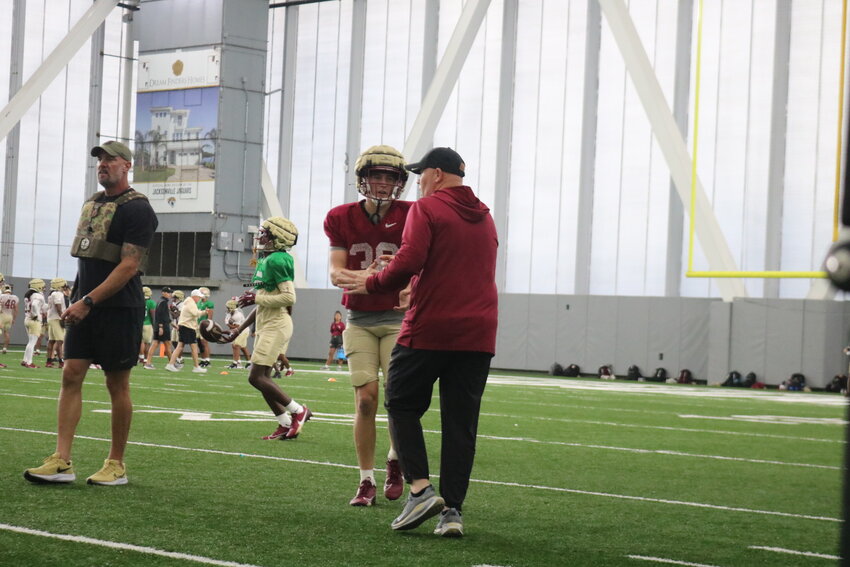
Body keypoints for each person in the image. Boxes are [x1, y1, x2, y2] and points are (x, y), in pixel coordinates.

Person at [336, 147, 498, 537]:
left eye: (420, 174)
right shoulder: (486, 216)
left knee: (400, 402)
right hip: (479, 333)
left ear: (437, 174)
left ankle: (421, 489)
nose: (418, 182)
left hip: (432, 327)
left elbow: (409, 260)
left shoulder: (427, 209)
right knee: (461, 426)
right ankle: (453, 513)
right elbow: (459, 266)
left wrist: (369, 282)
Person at [24, 140, 158, 486]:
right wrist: (77, 297)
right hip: (86, 305)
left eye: (111, 160)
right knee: (70, 374)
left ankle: (116, 464)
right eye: (100, 160)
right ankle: (62, 460)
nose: (103, 165)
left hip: (119, 307)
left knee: (117, 383)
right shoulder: (92, 203)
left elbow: (129, 265)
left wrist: (89, 301)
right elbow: (87, 257)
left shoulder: (138, 209)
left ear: (127, 166)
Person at [323, 145, 411, 507]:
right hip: (359, 319)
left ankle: (394, 460)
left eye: (390, 177)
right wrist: (369, 276)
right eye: (376, 175)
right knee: (365, 402)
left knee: (397, 399)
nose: (382, 183)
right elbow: (335, 273)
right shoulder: (341, 216)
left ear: (399, 182)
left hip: (397, 319)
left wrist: (404, 285)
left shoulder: (413, 215)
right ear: (362, 178)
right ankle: (365, 480)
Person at [223, 216, 311, 441]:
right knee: (265, 380)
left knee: (256, 377)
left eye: (265, 232)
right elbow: (261, 302)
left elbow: (289, 297)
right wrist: (239, 328)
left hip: (276, 324)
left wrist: (257, 297)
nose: (260, 236)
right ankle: (284, 423)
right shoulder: (267, 259)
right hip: (267, 323)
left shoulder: (278, 260)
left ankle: (298, 411)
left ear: (277, 237)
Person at [165, 289, 206, 373]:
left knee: (180, 346)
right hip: (188, 327)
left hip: (184, 326)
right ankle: (196, 367)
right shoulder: (191, 302)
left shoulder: (188, 302)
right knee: (194, 347)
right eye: (199, 297)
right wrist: (204, 312)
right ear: (195, 296)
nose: (199, 299)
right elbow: (195, 313)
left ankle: (171, 364)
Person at [144, 287, 173, 369]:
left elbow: (164, 315)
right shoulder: (163, 302)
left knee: (155, 344)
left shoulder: (160, 301)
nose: (170, 294)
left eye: (170, 292)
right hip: (162, 327)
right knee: (167, 344)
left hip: (159, 326)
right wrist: (161, 327)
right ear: (163, 293)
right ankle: (171, 363)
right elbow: (160, 315)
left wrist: (172, 323)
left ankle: (148, 362)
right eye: (168, 292)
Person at [21, 279, 46, 368]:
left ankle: (25, 360)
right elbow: (35, 305)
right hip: (34, 320)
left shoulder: (28, 294)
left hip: (27, 319)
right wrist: (35, 314)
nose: (43, 288)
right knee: (32, 342)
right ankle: (29, 362)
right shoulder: (37, 295)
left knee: (30, 342)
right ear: (38, 286)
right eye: (42, 286)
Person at [45, 278, 69, 368]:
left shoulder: (52, 294)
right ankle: (61, 361)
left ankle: (49, 361)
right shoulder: (58, 294)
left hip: (51, 318)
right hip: (56, 318)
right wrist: (63, 317)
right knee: (60, 341)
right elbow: (58, 306)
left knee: (51, 341)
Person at [224, 298, 251, 369]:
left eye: (227, 307)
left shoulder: (237, 315)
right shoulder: (229, 313)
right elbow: (232, 326)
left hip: (243, 330)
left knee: (235, 345)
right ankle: (249, 362)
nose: (226, 308)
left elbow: (236, 327)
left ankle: (235, 363)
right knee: (242, 347)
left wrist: (228, 325)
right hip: (239, 330)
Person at [197, 286, 214, 367]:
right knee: (199, 343)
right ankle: (203, 359)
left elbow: (210, 316)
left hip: (204, 325)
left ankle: (207, 360)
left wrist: (208, 326)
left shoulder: (209, 303)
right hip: (197, 325)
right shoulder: (199, 302)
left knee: (204, 343)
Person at [0, 284, 19, 354]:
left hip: (2, 315)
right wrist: (14, 318)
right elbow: (16, 309)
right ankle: (5, 348)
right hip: (9, 316)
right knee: (6, 333)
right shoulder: (15, 297)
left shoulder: (1, 296)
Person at [139, 286, 155, 363]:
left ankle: (141, 356)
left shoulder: (138, 300)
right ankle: (145, 358)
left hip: (139, 323)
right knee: (147, 342)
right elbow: (152, 314)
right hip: (147, 324)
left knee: (141, 341)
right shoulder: (151, 302)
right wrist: (154, 324)